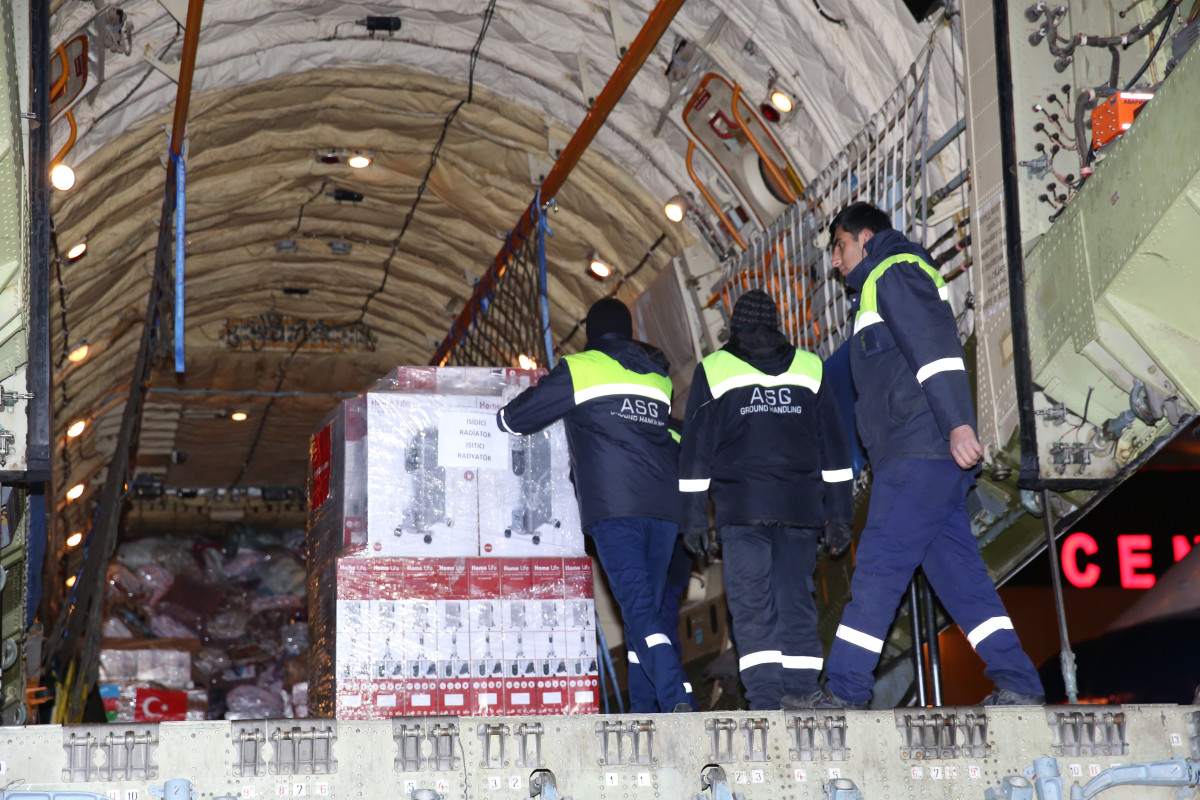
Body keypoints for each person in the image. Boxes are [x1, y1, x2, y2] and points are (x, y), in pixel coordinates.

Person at [788, 202, 1044, 709]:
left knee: (879, 568)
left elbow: (936, 350)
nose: (835, 261)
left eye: (838, 246)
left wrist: (957, 424)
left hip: (918, 453)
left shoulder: (895, 271)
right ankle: (1020, 681)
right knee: (961, 582)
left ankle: (845, 691)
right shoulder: (880, 285)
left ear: (864, 237)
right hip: (921, 457)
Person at [496, 297, 695, 712]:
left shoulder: (582, 368)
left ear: (592, 332)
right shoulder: (659, 378)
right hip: (662, 511)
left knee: (640, 611)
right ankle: (647, 714)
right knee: (646, 617)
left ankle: (679, 701)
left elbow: (519, 417)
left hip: (615, 509)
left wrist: (496, 418)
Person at [678, 289, 855, 711]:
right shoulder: (810, 367)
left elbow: (696, 451)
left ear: (735, 326)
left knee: (753, 603)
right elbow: (835, 448)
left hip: (742, 512)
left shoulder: (715, 368)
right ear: (776, 324)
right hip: (801, 510)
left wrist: (693, 519)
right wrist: (839, 515)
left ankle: (765, 699)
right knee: (796, 596)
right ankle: (801, 690)